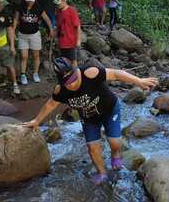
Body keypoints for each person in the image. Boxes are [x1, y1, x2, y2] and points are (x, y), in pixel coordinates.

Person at [23, 57, 158, 185]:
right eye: (68, 82)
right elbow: (51, 104)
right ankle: (102, 172)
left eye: (74, 78)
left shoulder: (89, 72)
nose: (73, 83)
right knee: (92, 148)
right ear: (61, 81)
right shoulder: (60, 90)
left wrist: (138, 81)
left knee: (114, 143)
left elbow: (116, 74)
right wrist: (36, 121)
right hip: (89, 118)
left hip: (110, 110)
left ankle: (115, 154)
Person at [14, 0, 55, 85]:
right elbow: (16, 19)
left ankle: (35, 73)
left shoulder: (38, 7)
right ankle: (23, 74)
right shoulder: (20, 7)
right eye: (28, 1)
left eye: (31, 1)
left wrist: (51, 29)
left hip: (35, 35)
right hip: (22, 35)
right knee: (24, 56)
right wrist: (13, 30)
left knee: (36, 55)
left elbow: (47, 19)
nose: (30, 3)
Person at [53, 0, 81, 67]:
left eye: (59, 2)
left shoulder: (71, 11)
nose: (58, 4)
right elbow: (58, 25)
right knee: (63, 61)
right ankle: (67, 77)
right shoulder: (58, 12)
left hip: (71, 42)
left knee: (73, 60)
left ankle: (75, 76)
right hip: (61, 42)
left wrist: (78, 40)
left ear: (64, 1)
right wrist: (54, 33)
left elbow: (77, 26)